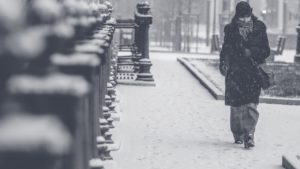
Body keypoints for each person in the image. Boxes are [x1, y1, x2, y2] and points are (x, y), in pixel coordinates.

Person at [219, 1, 270, 149]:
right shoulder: (230, 29)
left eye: (246, 17)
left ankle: (249, 134)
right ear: (237, 16)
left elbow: (266, 51)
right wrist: (224, 63)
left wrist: (252, 52)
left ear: (251, 14)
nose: (244, 20)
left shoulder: (260, 28)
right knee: (236, 107)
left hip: (253, 73)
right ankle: (237, 133)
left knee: (251, 105)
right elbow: (226, 49)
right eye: (241, 18)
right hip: (235, 72)